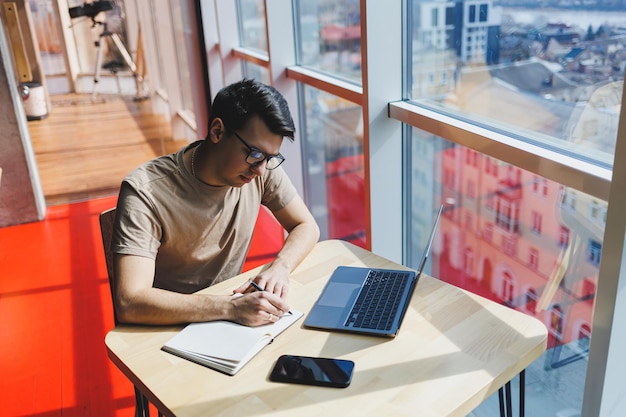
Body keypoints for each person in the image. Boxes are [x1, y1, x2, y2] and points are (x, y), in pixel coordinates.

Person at [111, 79, 320, 327]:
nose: (262, 170)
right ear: (217, 131)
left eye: (270, 158)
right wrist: (229, 307)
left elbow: (306, 225)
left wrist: (280, 267)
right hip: (170, 327)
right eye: (254, 154)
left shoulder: (261, 168)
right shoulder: (146, 192)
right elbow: (130, 301)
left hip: (230, 319)